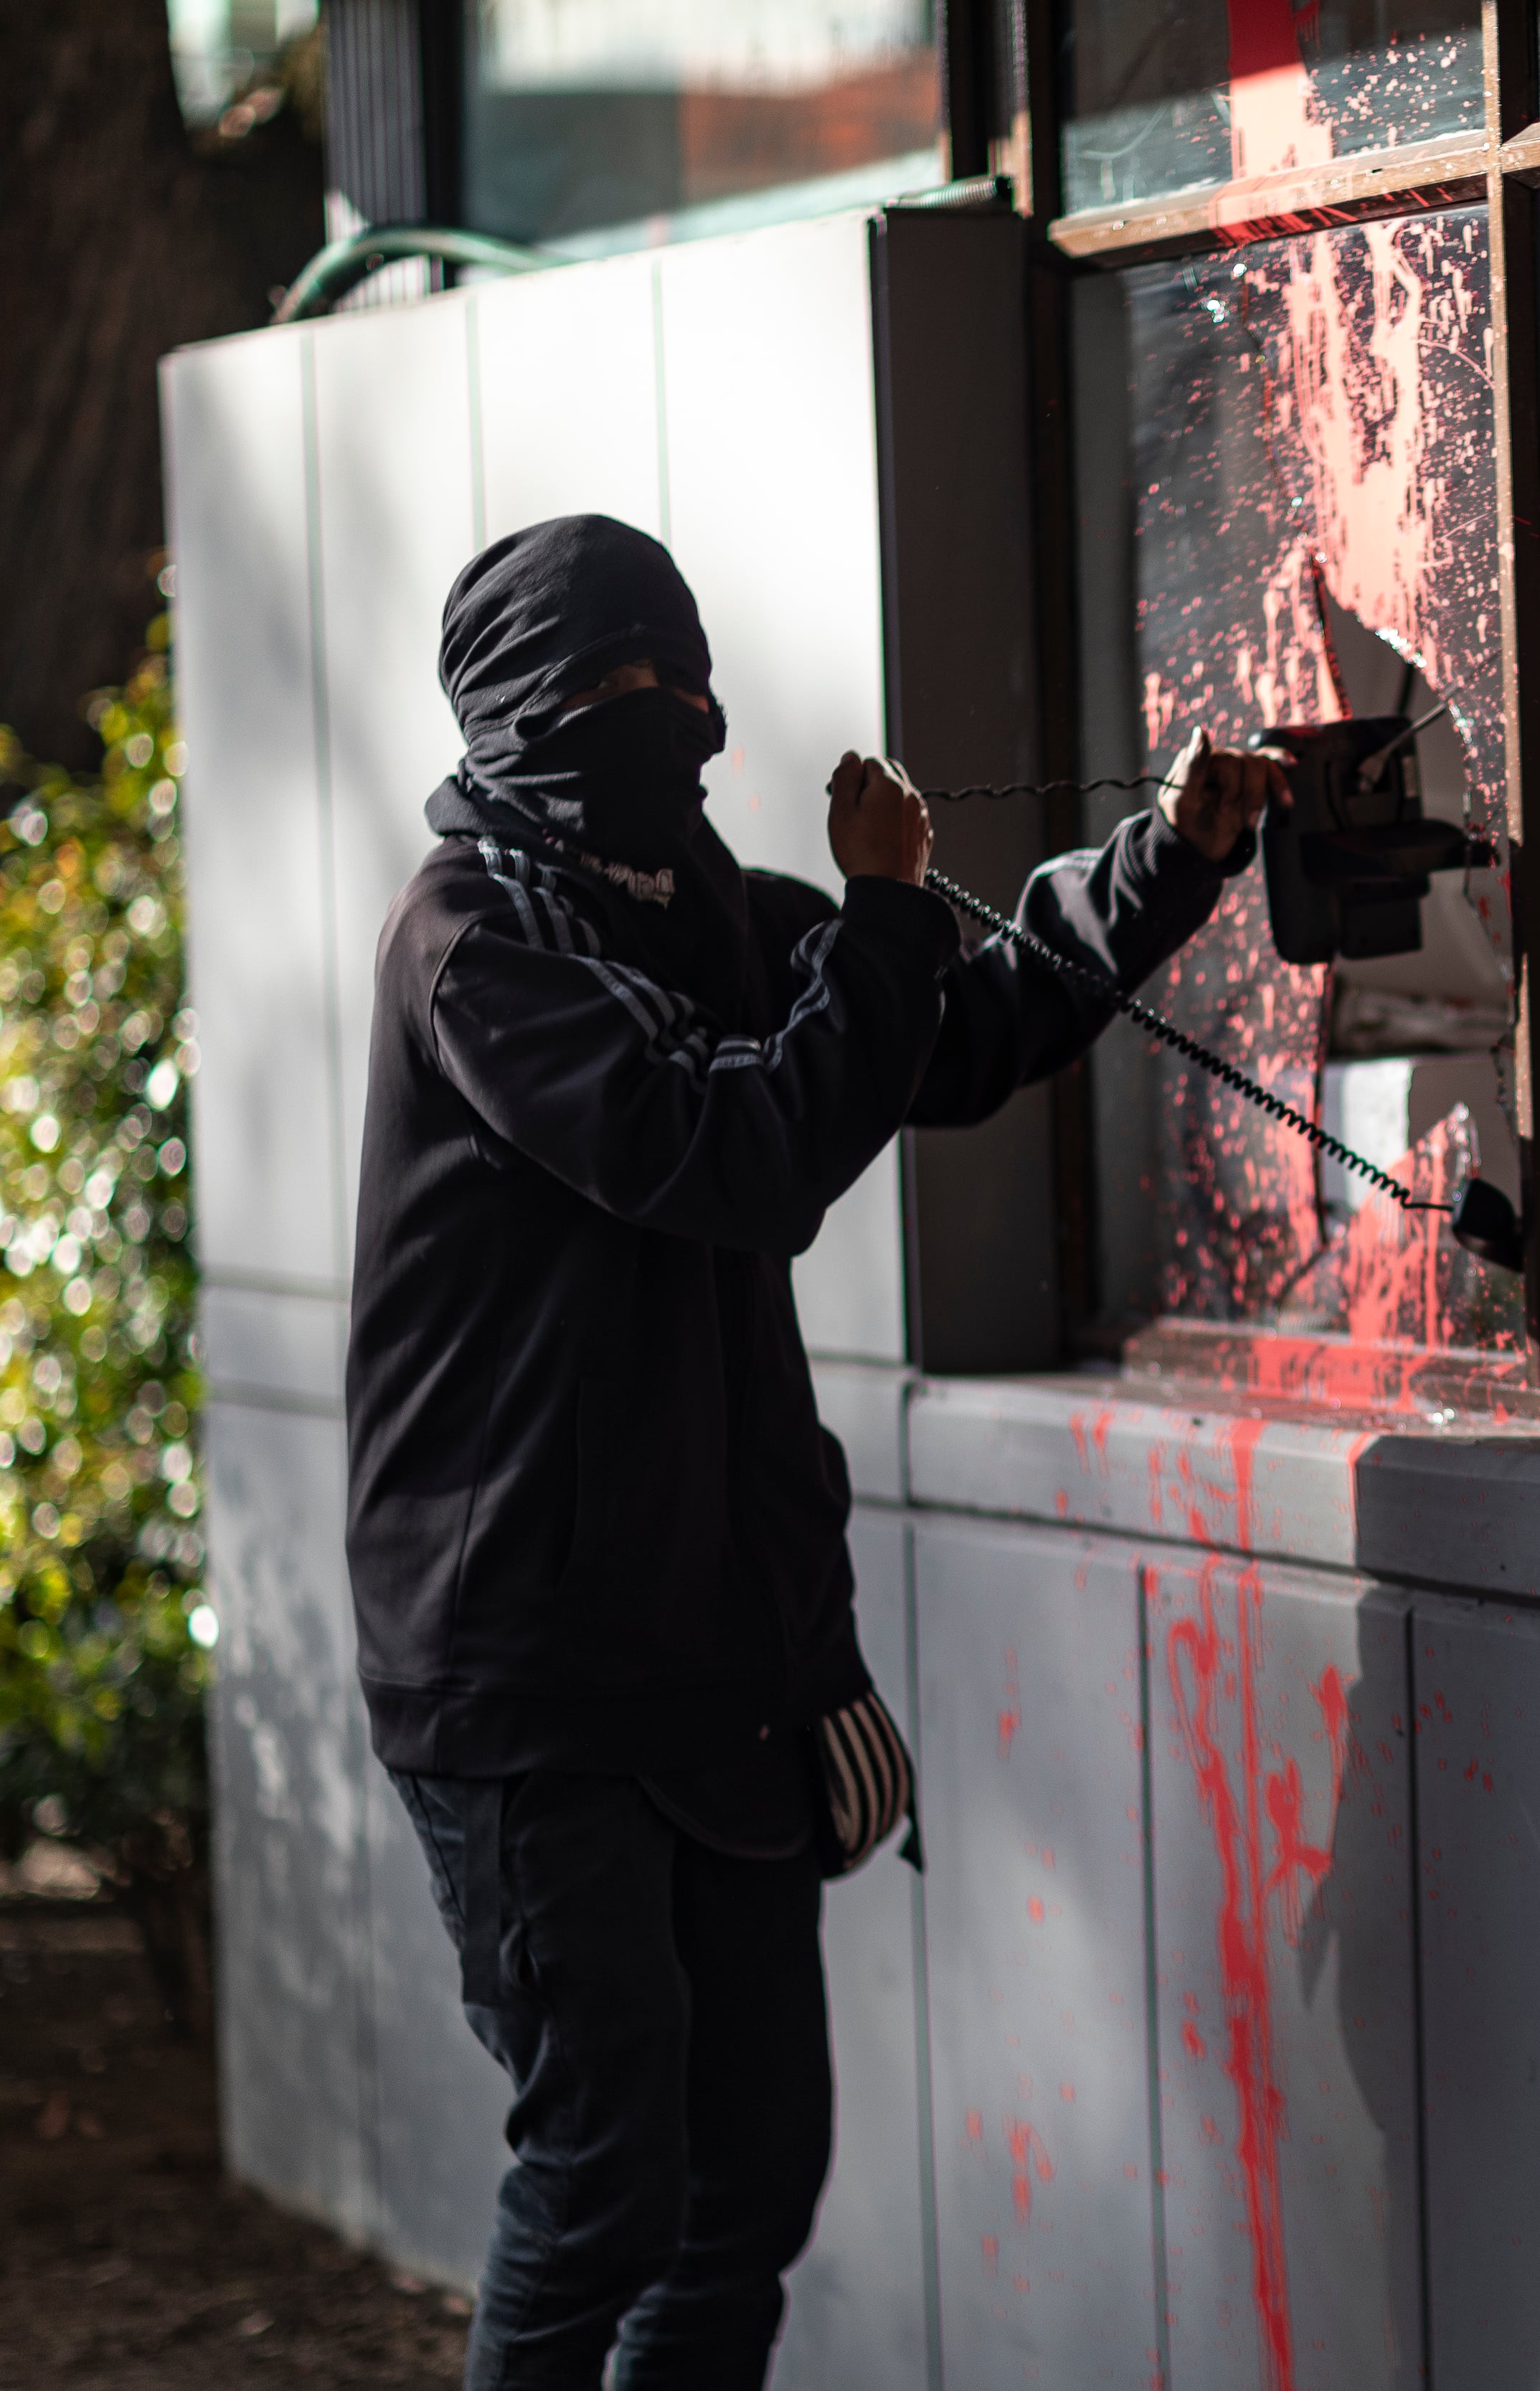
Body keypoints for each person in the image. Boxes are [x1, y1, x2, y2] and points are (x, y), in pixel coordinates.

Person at [342, 513, 1280, 2390]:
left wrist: (1176, 857)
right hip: (528, 1678)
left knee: (747, 2189)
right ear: (519, 709)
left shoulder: (700, 902)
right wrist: (872, 915)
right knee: (608, 2175)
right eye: (619, 684)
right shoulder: (475, 948)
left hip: (721, 1659)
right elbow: (731, 1157)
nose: (675, 714)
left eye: (685, 672)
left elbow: (957, 1022)